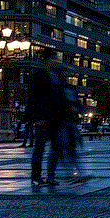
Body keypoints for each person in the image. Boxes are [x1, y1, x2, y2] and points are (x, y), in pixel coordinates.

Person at [28, 47, 65, 188]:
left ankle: (50, 176)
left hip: (55, 118)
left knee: (56, 147)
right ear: (46, 60)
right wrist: (37, 117)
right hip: (42, 118)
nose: (56, 61)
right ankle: (36, 177)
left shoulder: (56, 76)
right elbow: (33, 97)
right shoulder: (39, 75)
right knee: (40, 148)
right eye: (54, 59)